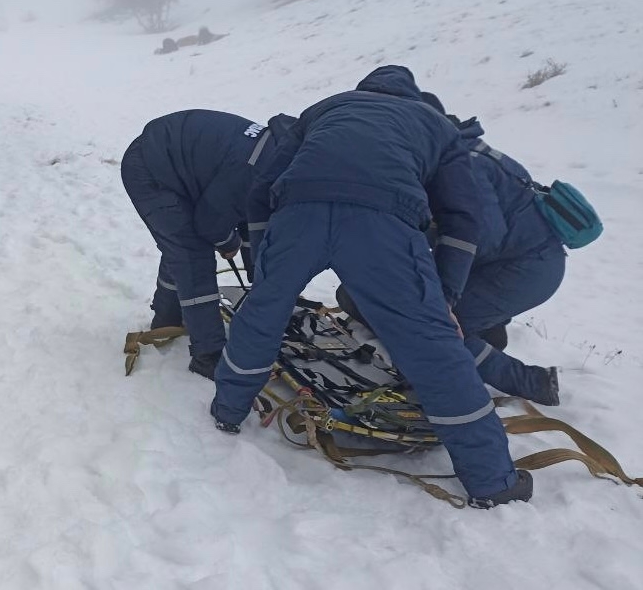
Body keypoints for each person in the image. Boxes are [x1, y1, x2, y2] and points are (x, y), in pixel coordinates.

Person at [212, 66, 532, 508]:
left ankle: (227, 413)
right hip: (382, 224)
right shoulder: (438, 126)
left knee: (263, 312)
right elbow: (462, 219)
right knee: (430, 344)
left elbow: (261, 189)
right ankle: (492, 482)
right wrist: (444, 299)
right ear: (414, 96)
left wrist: (267, 262)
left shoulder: (325, 108)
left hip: (298, 210)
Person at [336, 92, 562, 406]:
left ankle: (529, 381)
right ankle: (483, 341)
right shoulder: (453, 151)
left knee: (433, 326)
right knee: (434, 313)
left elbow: (482, 236)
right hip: (514, 262)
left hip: (524, 269)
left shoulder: (464, 163)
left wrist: (424, 252)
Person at [121, 109, 294, 380]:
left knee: (181, 246)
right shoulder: (251, 168)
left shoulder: (277, 154)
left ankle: (166, 318)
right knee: (192, 253)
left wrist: (259, 277)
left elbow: (253, 217)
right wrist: (230, 241)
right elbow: (210, 224)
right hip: (150, 170)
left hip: (182, 166)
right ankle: (207, 354)